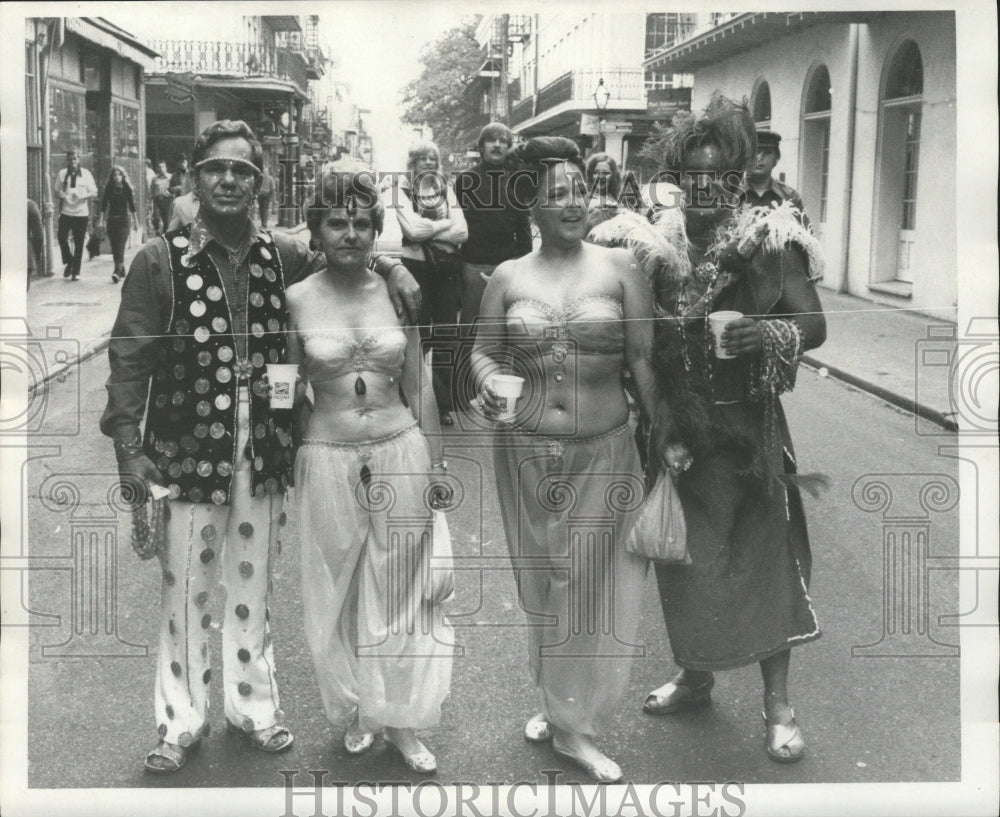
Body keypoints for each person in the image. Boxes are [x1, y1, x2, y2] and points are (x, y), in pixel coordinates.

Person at [100, 119, 420, 775]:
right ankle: (181, 719)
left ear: (258, 183)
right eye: (216, 167)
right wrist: (129, 449)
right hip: (185, 449)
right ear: (194, 177)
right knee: (185, 585)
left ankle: (254, 708)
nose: (228, 179)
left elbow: (347, 247)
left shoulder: (282, 253)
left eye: (242, 170)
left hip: (265, 444)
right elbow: (129, 361)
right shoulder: (158, 261)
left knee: (252, 583)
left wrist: (390, 265)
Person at [470, 137, 669, 783]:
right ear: (530, 201)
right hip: (526, 452)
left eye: (578, 187)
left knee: (587, 584)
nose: (572, 200)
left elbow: (642, 360)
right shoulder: (507, 276)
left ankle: (574, 727)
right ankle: (558, 707)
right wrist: (487, 380)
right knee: (544, 584)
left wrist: (667, 435)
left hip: (603, 451)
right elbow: (482, 352)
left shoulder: (620, 267)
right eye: (556, 191)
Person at [639, 94, 826, 764]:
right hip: (676, 434)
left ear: (740, 174)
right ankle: (695, 674)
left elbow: (815, 323)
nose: (705, 187)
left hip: (750, 435)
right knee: (685, 563)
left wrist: (761, 332)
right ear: (677, 179)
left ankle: (779, 706)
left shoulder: (770, 236)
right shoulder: (656, 242)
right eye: (692, 175)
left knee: (760, 562)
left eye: (718, 174)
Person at [287, 161, 453, 774]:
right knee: (342, 588)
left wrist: (435, 465)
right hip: (327, 455)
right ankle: (363, 708)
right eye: (337, 222)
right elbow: (284, 389)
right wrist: (285, 456)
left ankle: (403, 720)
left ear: (375, 230)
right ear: (317, 230)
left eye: (362, 223)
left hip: (398, 445)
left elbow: (418, 382)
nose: (350, 234)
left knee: (405, 588)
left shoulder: (399, 291)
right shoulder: (294, 300)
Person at [453, 123, 533, 404]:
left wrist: (525, 267)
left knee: (512, 331)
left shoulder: (518, 181)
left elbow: (523, 228)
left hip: (509, 267)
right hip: (474, 265)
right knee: (471, 331)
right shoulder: (465, 180)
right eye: (491, 140)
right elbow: (456, 224)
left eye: (503, 140)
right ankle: (464, 394)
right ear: (482, 146)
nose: (497, 145)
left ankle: (509, 392)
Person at [394, 140, 468, 426]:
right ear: (412, 164)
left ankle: (442, 403)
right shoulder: (400, 192)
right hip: (416, 270)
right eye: (422, 158)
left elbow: (463, 232)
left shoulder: (446, 191)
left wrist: (430, 231)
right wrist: (444, 225)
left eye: (433, 158)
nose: (428, 162)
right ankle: (410, 396)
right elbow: (412, 230)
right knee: (417, 335)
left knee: (445, 335)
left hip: (447, 271)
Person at [740, 130, 811, 228]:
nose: (759, 158)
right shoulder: (729, 195)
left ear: (776, 158)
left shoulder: (789, 197)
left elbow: (807, 239)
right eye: (754, 152)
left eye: (767, 153)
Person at [54, 149, 98, 280]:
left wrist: (83, 195)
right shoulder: (62, 174)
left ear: (78, 160)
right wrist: (64, 196)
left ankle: (75, 272)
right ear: (67, 160)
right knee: (61, 237)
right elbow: (56, 191)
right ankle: (69, 260)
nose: (72, 161)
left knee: (79, 243)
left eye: (75, 159)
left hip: (81, 214)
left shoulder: (86, 174)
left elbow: (94, 192)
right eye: (70, 159)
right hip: (66, 212)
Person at [98, 165, 139, 283]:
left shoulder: (127, 188)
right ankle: (121, 269)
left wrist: (136, 222)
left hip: (123, 222)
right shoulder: (109, 188)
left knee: (120, 247)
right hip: (112, 221)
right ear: (112, 177)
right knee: (115, 248)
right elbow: (103, 206)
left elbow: (132, 207)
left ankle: (116, 271)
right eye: (115, 175)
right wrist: (101, 222)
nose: (117, 177)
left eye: (119, 174)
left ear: (123, 176)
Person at [150, 161, 173, 235]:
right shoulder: (154, 179)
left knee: (167, 220)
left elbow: (173, 188)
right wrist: (150, 199)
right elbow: (151, 189)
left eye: (163, 167)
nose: (161, 168)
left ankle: (165, 235)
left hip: (167, 200)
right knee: (156, 217)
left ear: (166, 168)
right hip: (157, 200)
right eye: (159, 167)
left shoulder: (170, 177)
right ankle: (157, 232)